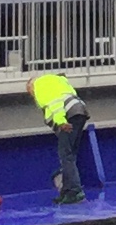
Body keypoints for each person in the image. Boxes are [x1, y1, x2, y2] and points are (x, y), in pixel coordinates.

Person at [30, 69, 96, 203]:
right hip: (79, 111)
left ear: (31, 86)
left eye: (30, 92)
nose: (32, 95)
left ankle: (75, 191)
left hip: (68, 116)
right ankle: (66, 190)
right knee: (70, 153)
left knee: (65, 154)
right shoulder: (56, 82)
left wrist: (61, 122)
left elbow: (55, 103)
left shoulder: (40, 86)